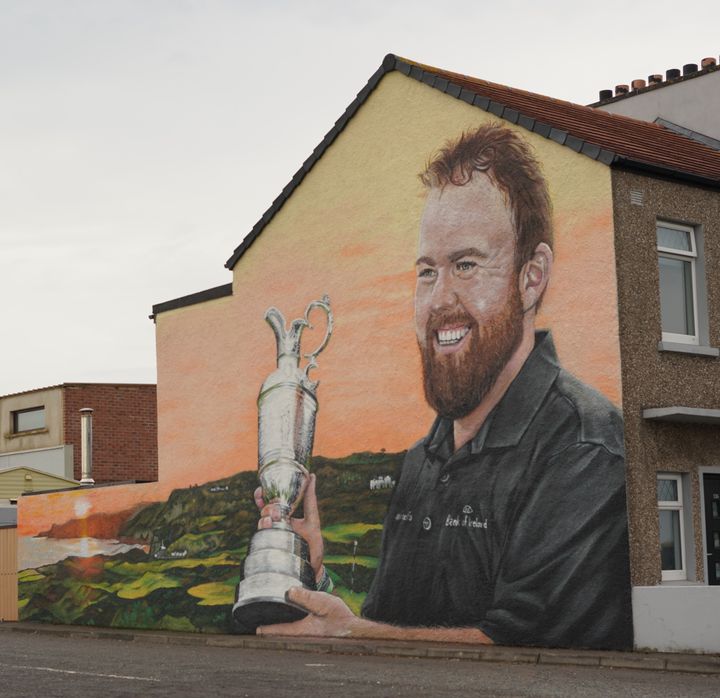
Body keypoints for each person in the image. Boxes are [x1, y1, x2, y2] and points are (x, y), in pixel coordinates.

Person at [255, 123, 633, 650]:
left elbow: (522, 650)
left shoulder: (585, 448)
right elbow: (394, 628)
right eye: (428, 271)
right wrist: (315, 578)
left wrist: (354, 634)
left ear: (532, 276)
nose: (438, 300)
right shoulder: (422, 462)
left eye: (466, 265)